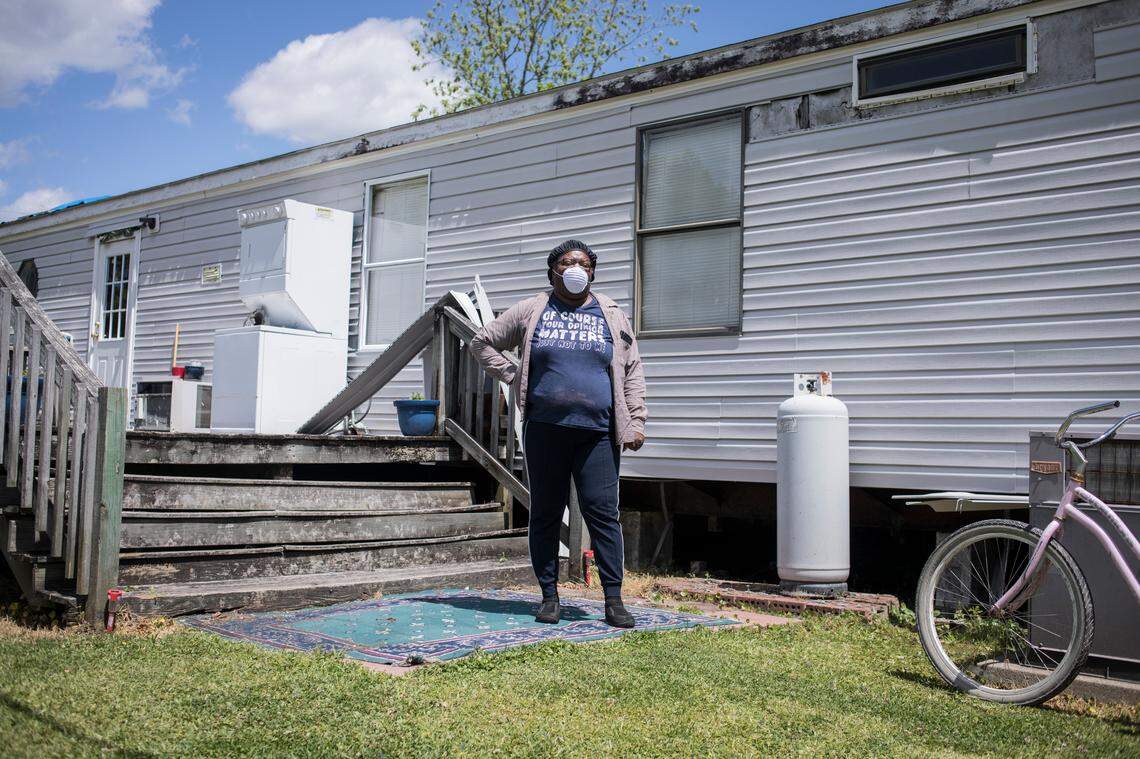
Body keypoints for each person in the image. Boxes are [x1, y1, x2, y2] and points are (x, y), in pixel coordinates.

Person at [471, 239, 647, 628]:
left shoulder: (611, 313)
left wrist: (636, 420)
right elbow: (482, 342)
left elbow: (631, 368)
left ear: (593, 271)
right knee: (547, 514)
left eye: (583, 263)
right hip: (546, 431)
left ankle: (613, 600)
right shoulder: (532, 310)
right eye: (567, 262)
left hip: (598, 433)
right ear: (553, 271)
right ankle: (549, 597)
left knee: (603, 514)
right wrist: (514, 375)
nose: (575, 269)